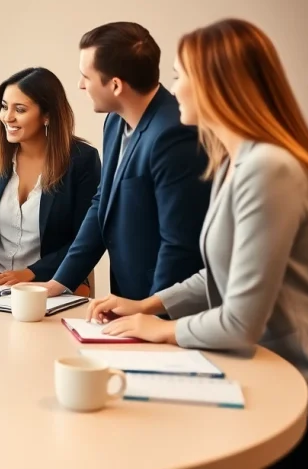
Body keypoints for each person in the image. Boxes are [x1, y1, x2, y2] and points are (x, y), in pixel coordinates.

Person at [89, 19, 308, 468]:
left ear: (217, 85)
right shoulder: (235, 160)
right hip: (261, 374)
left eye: (180, 75)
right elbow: (215, 274)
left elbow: (240, 323)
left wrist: (164, 330)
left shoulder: (269, 168)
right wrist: (148, 306)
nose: (174, 89)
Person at [28, 22, 211, 300]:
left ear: (115, 85)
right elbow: (103, 204)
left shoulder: (175, 134)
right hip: (127, 300)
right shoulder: (114, 121)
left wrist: (149, 312)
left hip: (162, 307)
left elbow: (179, 244)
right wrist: (60, 281)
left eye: (85, 77)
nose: (80, 85)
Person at [0, 67, 101, 291]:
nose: (8, 117)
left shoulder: (82, 160)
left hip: (51, 274)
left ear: (47, 115)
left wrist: (31, 273)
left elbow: (83, 239)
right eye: (4, 107)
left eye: (20, 109)